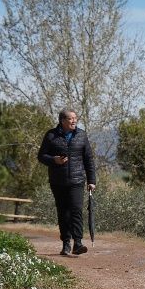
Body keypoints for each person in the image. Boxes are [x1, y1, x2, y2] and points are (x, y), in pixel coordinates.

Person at [37, 108, 96, 256]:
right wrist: (54, 160)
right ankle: (66, 244)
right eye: (71, 118)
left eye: (75, 118)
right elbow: (41, 156)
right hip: (58, 181)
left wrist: (92, 180)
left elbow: (88, 159)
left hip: (77, 180)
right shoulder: (51, 135)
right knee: (63, 212)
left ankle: (78, 242)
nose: (74, 121)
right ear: (62, 120)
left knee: (76, 210)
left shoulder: (82, 135)